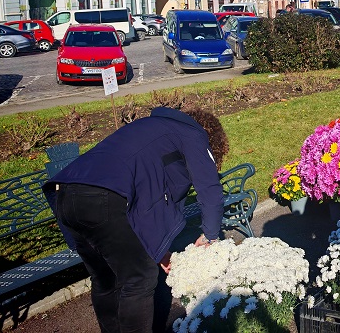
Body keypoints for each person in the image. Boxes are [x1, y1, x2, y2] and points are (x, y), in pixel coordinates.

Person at [43, 107, 226, 333]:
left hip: (66, 194)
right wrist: (210, 235)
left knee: (106, 280)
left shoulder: (148, 129)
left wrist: (159, 252)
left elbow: (143, 204)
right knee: (140, 279)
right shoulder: (192, 134)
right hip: (103, 198)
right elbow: (210, 189)